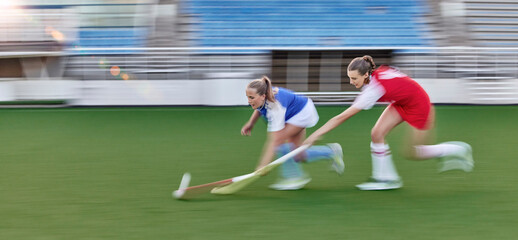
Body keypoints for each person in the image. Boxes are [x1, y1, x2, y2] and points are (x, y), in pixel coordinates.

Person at [303, 55, 474, 191]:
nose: (351, 82)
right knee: (376, 134)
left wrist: (316, 134)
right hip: (402, 102)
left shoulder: (373, 89)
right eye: (349, 78)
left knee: (414, 153)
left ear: (365, 75)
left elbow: (342, 117)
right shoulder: (374, 75)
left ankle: (457, 149)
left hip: (419, 104)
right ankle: (386, 179)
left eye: (354, 78)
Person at [242, 76, 345, 190]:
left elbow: (275, 140)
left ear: (263, 96)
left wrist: (263, 165)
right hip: (292, 114)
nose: (249, 101)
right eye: (247, 97)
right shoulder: (264, 95)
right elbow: (259, 108)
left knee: (281, 144)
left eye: (251, 97)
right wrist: (251, 123)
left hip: (302, 113)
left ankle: (293, 178)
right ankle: (331, 152)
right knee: (298, 155)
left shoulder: (276, 106)